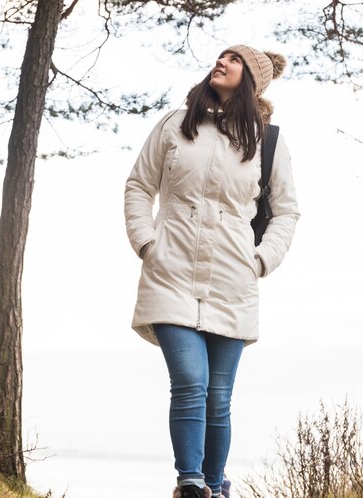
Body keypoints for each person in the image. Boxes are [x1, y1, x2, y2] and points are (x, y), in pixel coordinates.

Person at [123, 44, 301, 498]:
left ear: (251, 81)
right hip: (171, 274)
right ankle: (191, 483)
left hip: (232, 281)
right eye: (222, 55)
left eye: (235, 60)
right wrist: (147, 242)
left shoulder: (267, 140)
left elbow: (286, 212)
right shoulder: (173, 125)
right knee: (190, 381)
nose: (222, 61)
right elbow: (139, 186)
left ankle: (215, 486)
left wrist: (260, 260)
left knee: (219, 397)